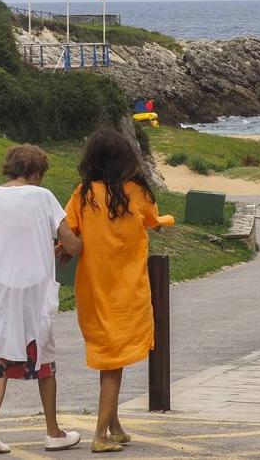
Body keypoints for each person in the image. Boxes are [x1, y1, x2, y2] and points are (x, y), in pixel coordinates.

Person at [0, 145, 83, 455]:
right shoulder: (43, 197)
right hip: (32, 289)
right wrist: (77, 243)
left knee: (0, 356)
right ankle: (53, 432)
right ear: (37, 173)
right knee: (44, 357)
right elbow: (71, 243)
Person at [64, 128, 163, 453]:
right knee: (113, 363)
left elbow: (70, 229)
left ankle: (115, 425)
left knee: (109, 356)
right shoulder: (136, 193)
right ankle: (100, 435)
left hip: (93, 288)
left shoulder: (84, 194)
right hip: (125, 289)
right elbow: (152, 219)